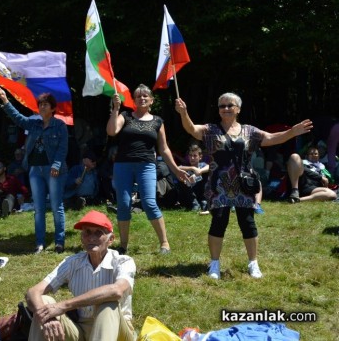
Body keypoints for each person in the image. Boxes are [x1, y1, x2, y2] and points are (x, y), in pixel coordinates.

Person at [175, 93, 313, 279]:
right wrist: (184, 113)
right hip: (219, 186)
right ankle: (214, 264)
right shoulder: (211, 130)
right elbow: (191, 129)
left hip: (244, 185)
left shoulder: (249, 131)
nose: (225, 109)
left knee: (248, 223)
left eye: (229, 105)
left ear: (238, 109)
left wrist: (292, 132)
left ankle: (253, 263)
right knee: (219, 222)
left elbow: (272, 138)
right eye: (221, 106)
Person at [26, 210, 136, 341]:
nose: (91, 238)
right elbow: (33, 292)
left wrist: (64, 305)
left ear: (110, 239)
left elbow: (116, 291)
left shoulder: (123, 261)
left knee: (108, 304)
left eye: (98, 233)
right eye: (87, 232)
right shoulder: (72, 262)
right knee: (44, 302)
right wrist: (47, 318)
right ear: (82, 237)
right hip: (82, 330)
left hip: (118, 331)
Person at [106, 85, 189, 255]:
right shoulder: (125, 116)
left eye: (145, 96)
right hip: (123, 165)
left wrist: (176, 169)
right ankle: (123, 245)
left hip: (147, 165)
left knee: (149, 203)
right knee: (123, 204)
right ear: (134, 100)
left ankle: (164, 243)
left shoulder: (157, 121)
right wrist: (115, 109)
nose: (142, 98)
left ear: (151, 100)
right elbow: (112, 131)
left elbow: (164, 149)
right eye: (138, 96)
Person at [0, 87, 69, 254]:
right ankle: (40, 243)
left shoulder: (60, 126)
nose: (42, 107)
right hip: (35, 171)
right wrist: (5, 100)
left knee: (56, 206)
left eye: (46, 104)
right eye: (40, 104)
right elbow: (18, 118)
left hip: (54, 171)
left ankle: (59, 241)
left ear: (52, 108)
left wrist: (56, 165)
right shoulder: (34, 124)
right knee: (38, 208)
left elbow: (63, 149)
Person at [177, 144, 210, 211]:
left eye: (195, 156)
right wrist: (192, 168)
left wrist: (199, 172)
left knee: (206, 175)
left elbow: (209, 167)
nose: (192, 158)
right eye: (190, 155)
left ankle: (203, 201)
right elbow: (178, 168)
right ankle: (194, 203)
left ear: (200, 157)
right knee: (182, 179)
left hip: (201, 192)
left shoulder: (202, 165)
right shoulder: (186, 166)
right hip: (189, 195)